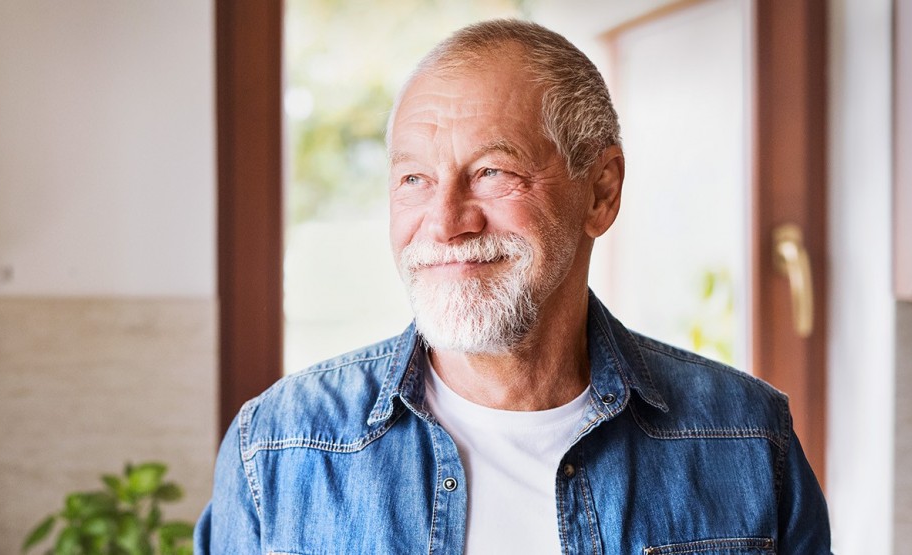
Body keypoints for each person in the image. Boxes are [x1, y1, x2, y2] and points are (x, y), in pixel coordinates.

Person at [194, 18, 831, 555]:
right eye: (414, 179)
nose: (445, 223)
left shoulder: (746, 436)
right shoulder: (277, 448)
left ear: (601, 192)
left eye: (492, 171)